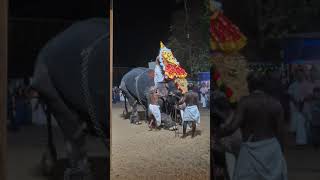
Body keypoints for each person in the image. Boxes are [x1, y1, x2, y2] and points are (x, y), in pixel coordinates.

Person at [215, 72, 287, 180]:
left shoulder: (245, 102)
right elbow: (281, 132)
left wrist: (217, 134)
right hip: (272, 148)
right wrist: (280, 153)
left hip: (250, 148)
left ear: (249, 85)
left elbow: (232, 127)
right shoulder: (275, 103)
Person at [288, 67, 313, 145]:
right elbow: (290, 95)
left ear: (303, 74)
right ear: (296, 75)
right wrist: (295, 102)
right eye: (298, 74)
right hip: (295, 107)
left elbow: (310, 95)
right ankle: (300, 141)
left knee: (306, 123)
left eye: (301, 74)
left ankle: (307, 140)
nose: (299, 76)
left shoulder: (308, 84)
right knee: (296, 124)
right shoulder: (293, 85)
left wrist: (303, 101)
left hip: (306, 106)